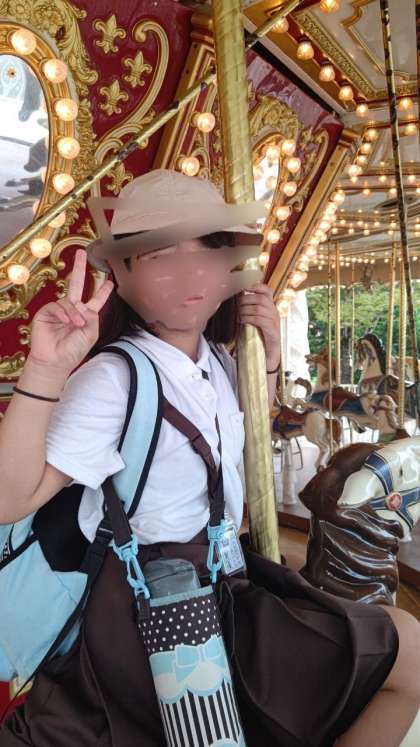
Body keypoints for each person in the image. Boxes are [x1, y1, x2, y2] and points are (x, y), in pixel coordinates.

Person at [0, 169, 419, 747]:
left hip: (223, 578)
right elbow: (11, 500)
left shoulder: (215, 361)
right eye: (161, 254)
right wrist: (46, 372)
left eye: (209, 249)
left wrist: (265, 360)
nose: (191, 271)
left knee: (400, 647)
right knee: (400, 657)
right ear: (122, 274)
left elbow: (243, 446)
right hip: (152, 602)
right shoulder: (115, 379)